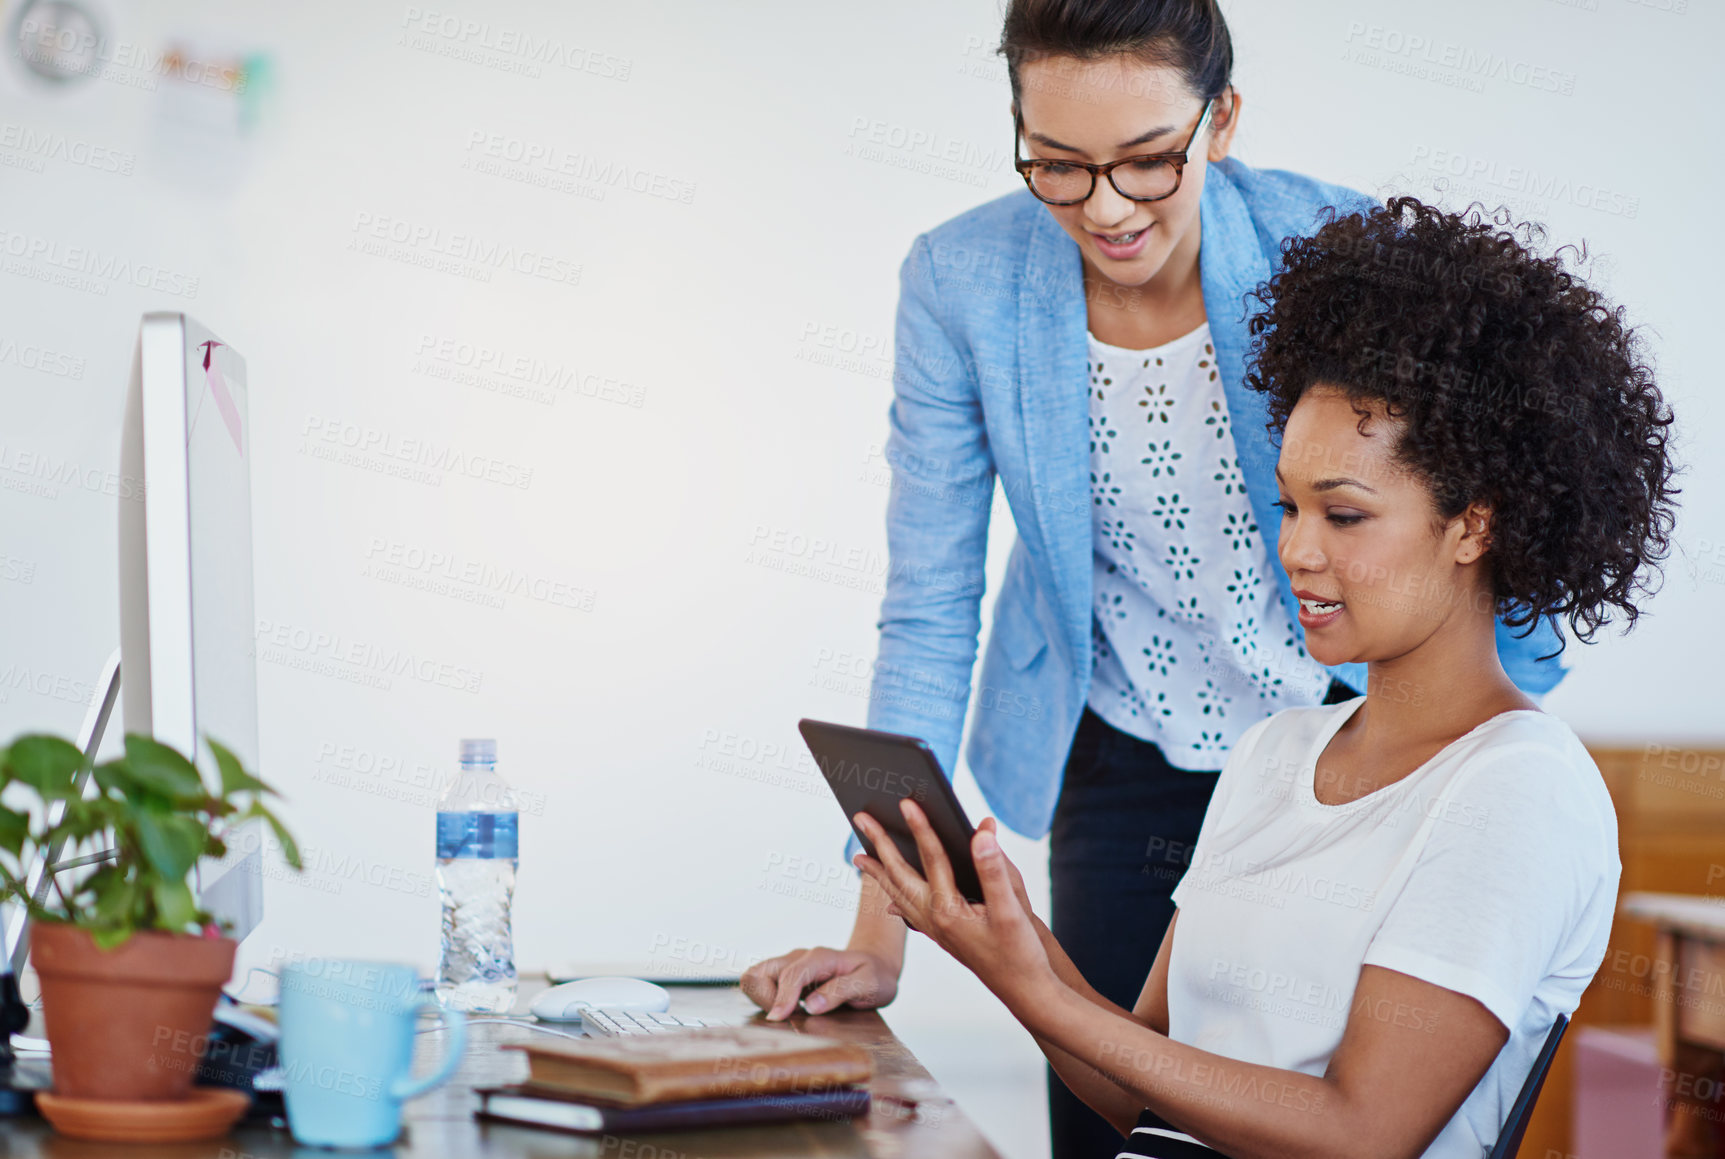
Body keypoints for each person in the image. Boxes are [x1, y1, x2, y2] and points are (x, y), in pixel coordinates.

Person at [744, 4, 1564, 1155]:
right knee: (1111, 1108)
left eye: (1146, 161)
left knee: (1315, 1096)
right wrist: (881, 932)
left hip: (1339, 734)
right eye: (1059, 168)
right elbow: (929, 604)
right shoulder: (963, 281)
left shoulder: (1327, 246)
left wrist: (1495, 754)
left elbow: (1464, 494)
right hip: (1123, 742)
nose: (1108, 209)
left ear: (1220, 120)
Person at [848, 194, 1678, 1158]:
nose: (1293, 549)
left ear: (1472, 525)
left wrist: (1036, 987)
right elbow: (1141, 1088)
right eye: (1286, 506)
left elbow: (1362, 1133)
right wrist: (1009, 947)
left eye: (1345, 515)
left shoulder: (1520, 788)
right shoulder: (1274, 753)